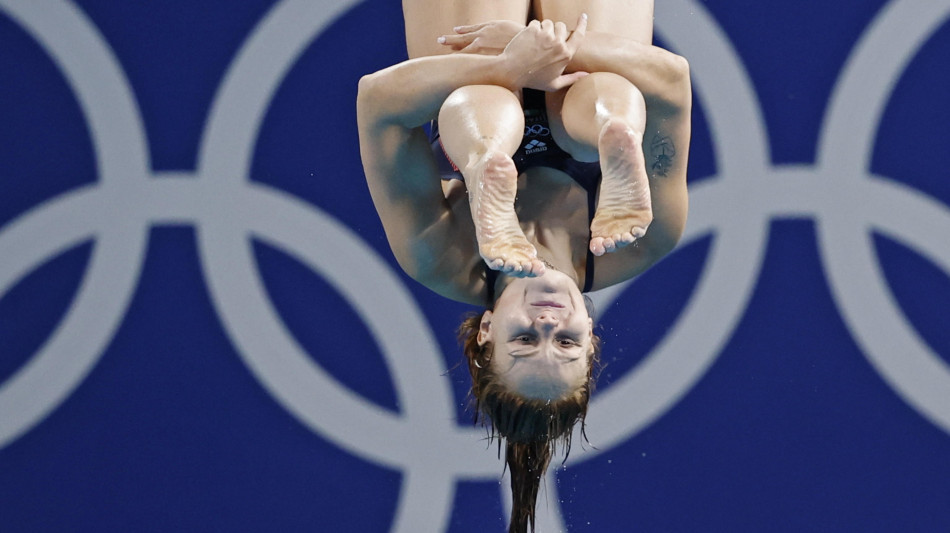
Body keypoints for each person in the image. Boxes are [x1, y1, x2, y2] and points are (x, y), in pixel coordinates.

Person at [357, 2, 690, 530]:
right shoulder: (643, 239)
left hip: (484, 80)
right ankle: (613, 134)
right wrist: (559, 51)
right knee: (606, 99)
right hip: (581, 73)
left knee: (483, 104)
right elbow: (672, 80)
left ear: (487, 330)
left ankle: (485, 159)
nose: (548, 321)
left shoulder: (439, 254)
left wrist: (513, 63)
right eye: (565, 342)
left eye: (524, 340)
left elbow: (377, 99)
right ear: (591, 336)